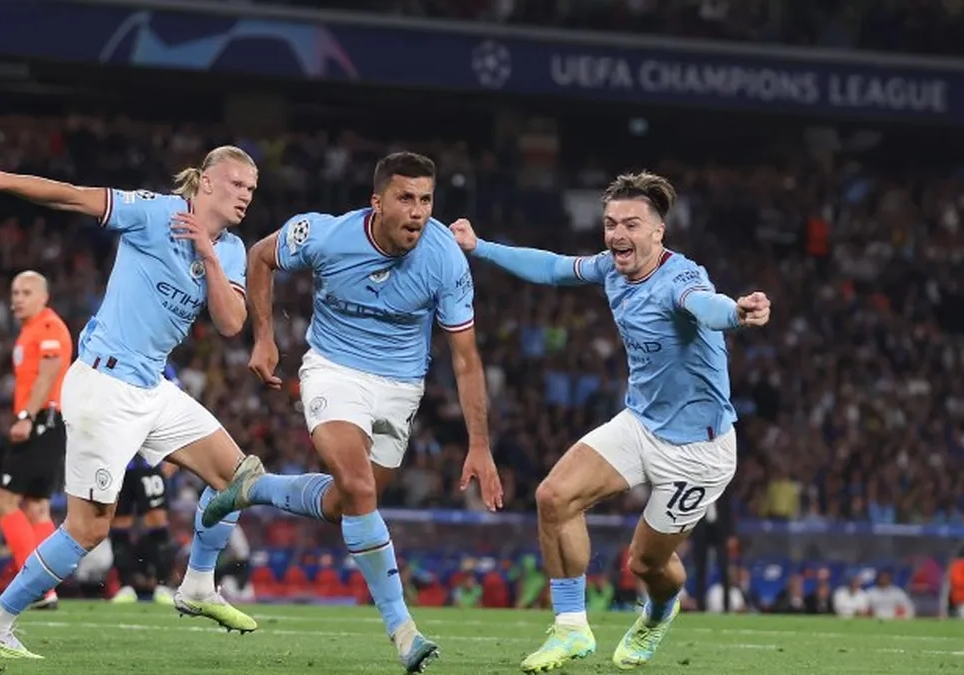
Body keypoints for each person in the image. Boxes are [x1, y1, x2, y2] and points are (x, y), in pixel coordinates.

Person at [0, 145, 302, 658]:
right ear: (209, 182)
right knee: (87, 528)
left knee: (239, 478)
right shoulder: (154, 212)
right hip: (104, 387)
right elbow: (71, 197)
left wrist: (209, 256)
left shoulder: (232, 249)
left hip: (152, 388)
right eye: (237, 185)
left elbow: (231, 322)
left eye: (252, 190)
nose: (246, 196)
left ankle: (197, 586)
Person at [450, 171, 771, 672]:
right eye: (610, 224)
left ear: (659, 232)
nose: (618, 234)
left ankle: (659, 613)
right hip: (641, 423)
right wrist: (479, 246)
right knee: (553, 497)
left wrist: (738, 312)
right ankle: (571, 629)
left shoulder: (681, 278)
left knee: (645, 564)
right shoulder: (610, 269)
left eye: (632, 225)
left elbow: (706, 307)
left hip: (699, 451)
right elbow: (554, 268)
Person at [201, 151, 504, 673]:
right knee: (361, 489)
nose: (417, 212)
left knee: (349, 504)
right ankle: (403, 631)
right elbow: (260, 257)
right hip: (334, 372)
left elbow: (466, 358)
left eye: (426, 200)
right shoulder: (325, 235)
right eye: (405, 198)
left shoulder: (445, 260)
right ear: (377, 201)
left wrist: (479, 444)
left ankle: (255, 487)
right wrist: (265, 338)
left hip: (401, 387)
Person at [0, 270, 72, 610]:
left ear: (44, 297)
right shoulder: (29, 331)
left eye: (26, 292)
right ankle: (46, 584)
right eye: (15, 292)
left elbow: (51, 369)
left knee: (3, 500)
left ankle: (36, 585)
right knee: (37, 507)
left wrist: (26, 416)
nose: (18, 298)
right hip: (49, 424)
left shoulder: (48, 326)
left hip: (42, 421)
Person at [109, 455, 178, 605]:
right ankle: (125, 586)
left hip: (149, 461)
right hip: (118, 462)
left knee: (157, 519)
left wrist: (173, 458)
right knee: (119, 522)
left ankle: (163, 586)